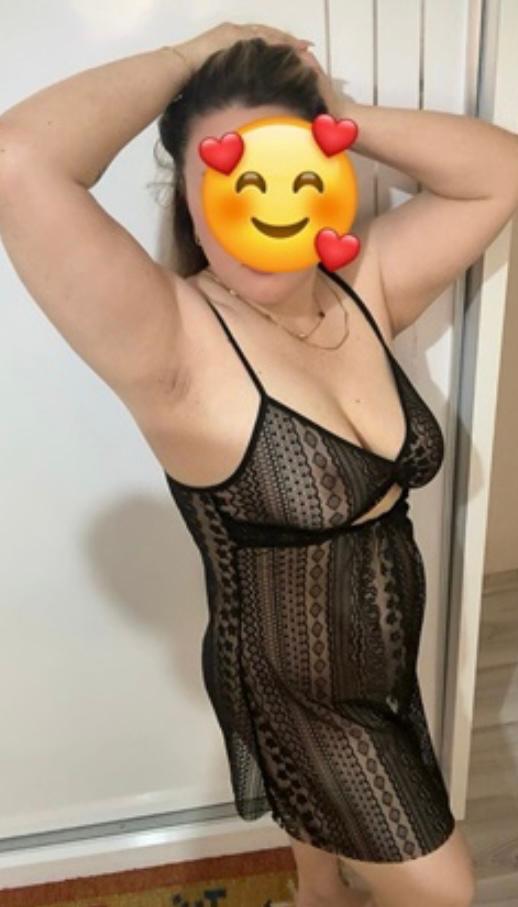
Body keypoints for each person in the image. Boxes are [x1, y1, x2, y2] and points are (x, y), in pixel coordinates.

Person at [2, 19, 518, 907]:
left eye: (296, 165)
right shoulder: (174, 340)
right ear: (189, 200)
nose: (268, 198)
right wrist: (188, 55)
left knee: (327, 858)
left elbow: (500, 171)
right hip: (291, 689)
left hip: (383, 667)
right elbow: (18, 161)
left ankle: (314, 896)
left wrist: (343, 113)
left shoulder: (364, 287)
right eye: (232, 174)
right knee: (445, 891)